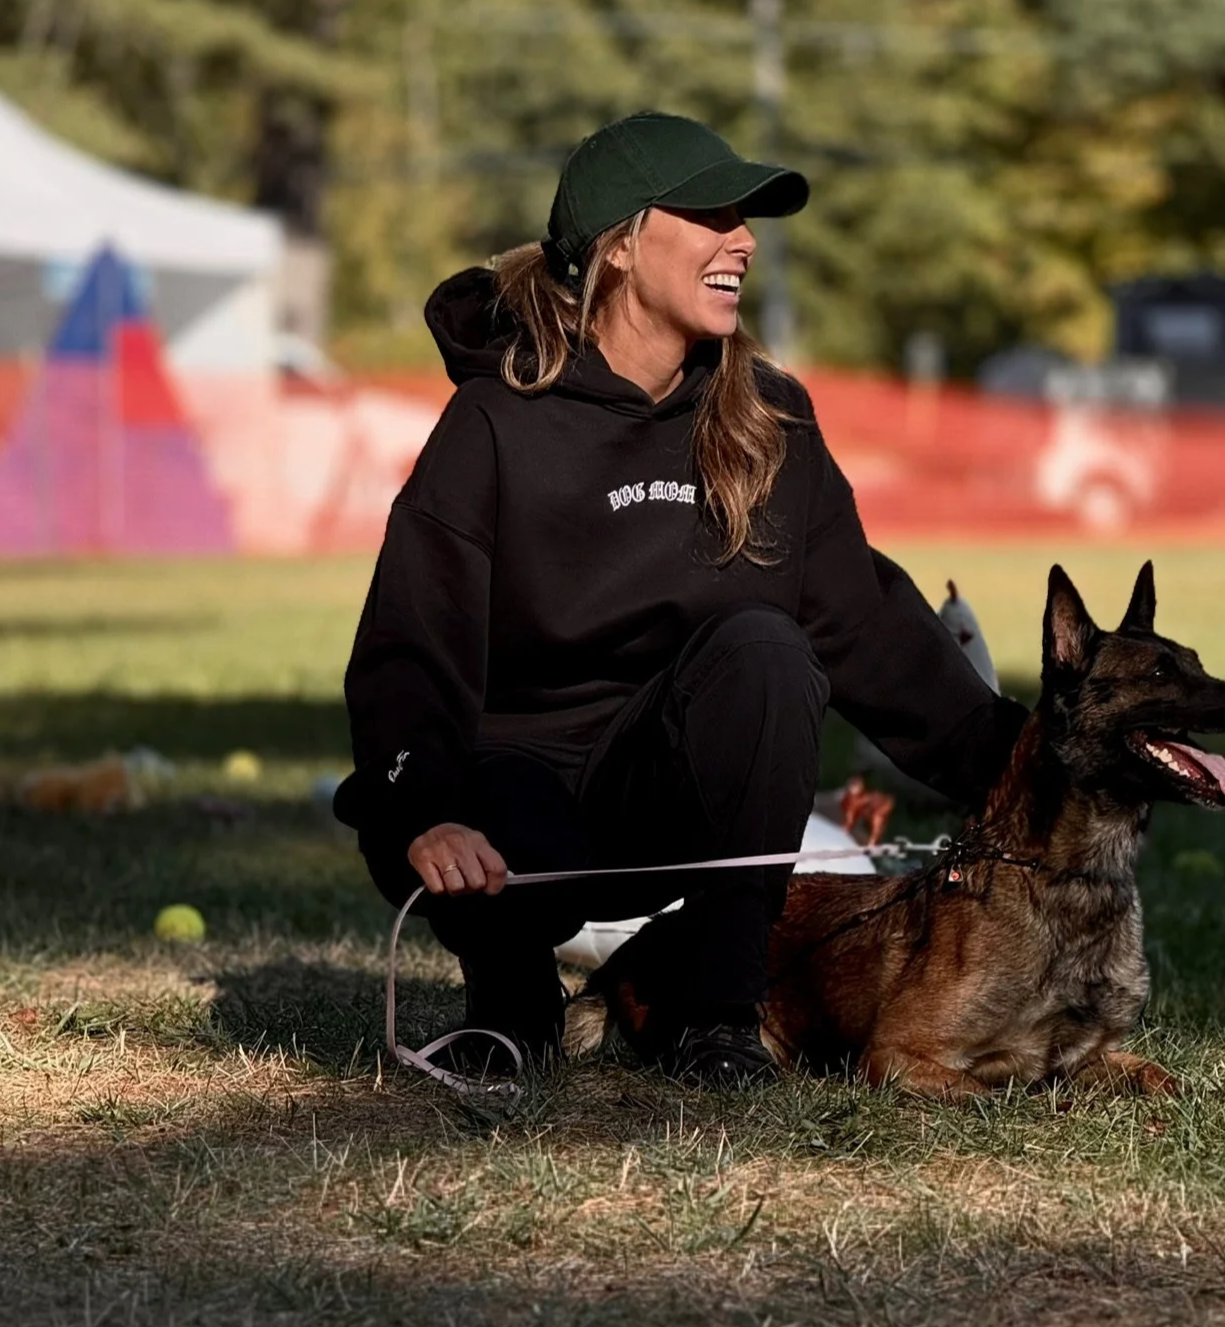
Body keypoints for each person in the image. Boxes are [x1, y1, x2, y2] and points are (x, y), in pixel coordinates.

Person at [333, 111, 1028, 1089]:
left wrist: (1025, 763)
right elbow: (413, 645)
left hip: (677, 807)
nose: (740, 238)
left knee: (768, 649)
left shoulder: (769, 416)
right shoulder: (495, 421)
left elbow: (864, 624)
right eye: (708, 215)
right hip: (511, 820)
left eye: (743, 217)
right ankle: (511, 1006)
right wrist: (428, 810)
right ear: (620, 246)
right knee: (496, 803)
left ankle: (717, 1017)